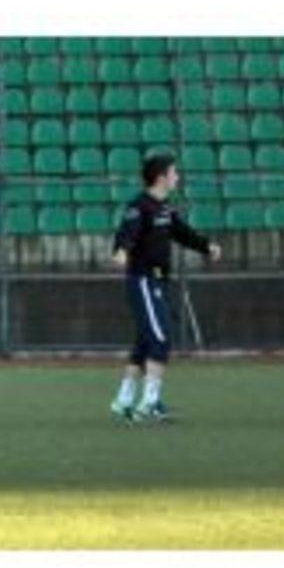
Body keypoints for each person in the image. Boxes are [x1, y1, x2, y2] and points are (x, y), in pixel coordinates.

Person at [109, 153, 221, 423]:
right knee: (160, 339)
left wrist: (207, 246)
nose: (177, 177)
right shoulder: (140, 206)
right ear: (161, 177)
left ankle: (123, 400)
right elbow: (127, 232)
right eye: (174, 173)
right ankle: (149, 403)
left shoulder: (165, 208)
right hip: (143, 280)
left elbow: (182, 233)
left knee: (145, 341)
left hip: (158, 281)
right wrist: (121, 251)